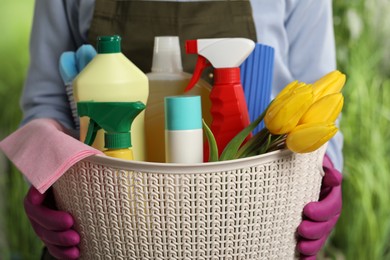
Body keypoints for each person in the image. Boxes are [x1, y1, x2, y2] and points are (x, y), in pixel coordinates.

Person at [21, 0, 342, 259]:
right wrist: (45, 180)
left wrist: (323, 169)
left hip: (260, 226)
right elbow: (47, 101)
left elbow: (321, 99)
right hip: (110, 229)